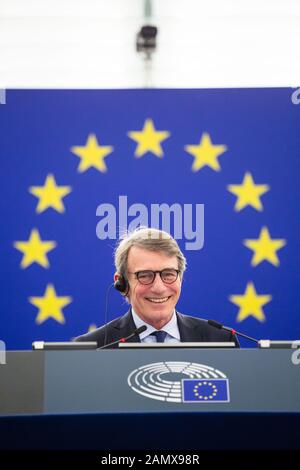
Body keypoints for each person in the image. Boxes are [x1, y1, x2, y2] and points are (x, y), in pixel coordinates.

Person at [75, 227, 239, 348]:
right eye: (145, 275)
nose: (159, 288)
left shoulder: (222, 340)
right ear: (122, 283)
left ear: (180, 278)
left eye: (168, 274)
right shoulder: (91, 348)